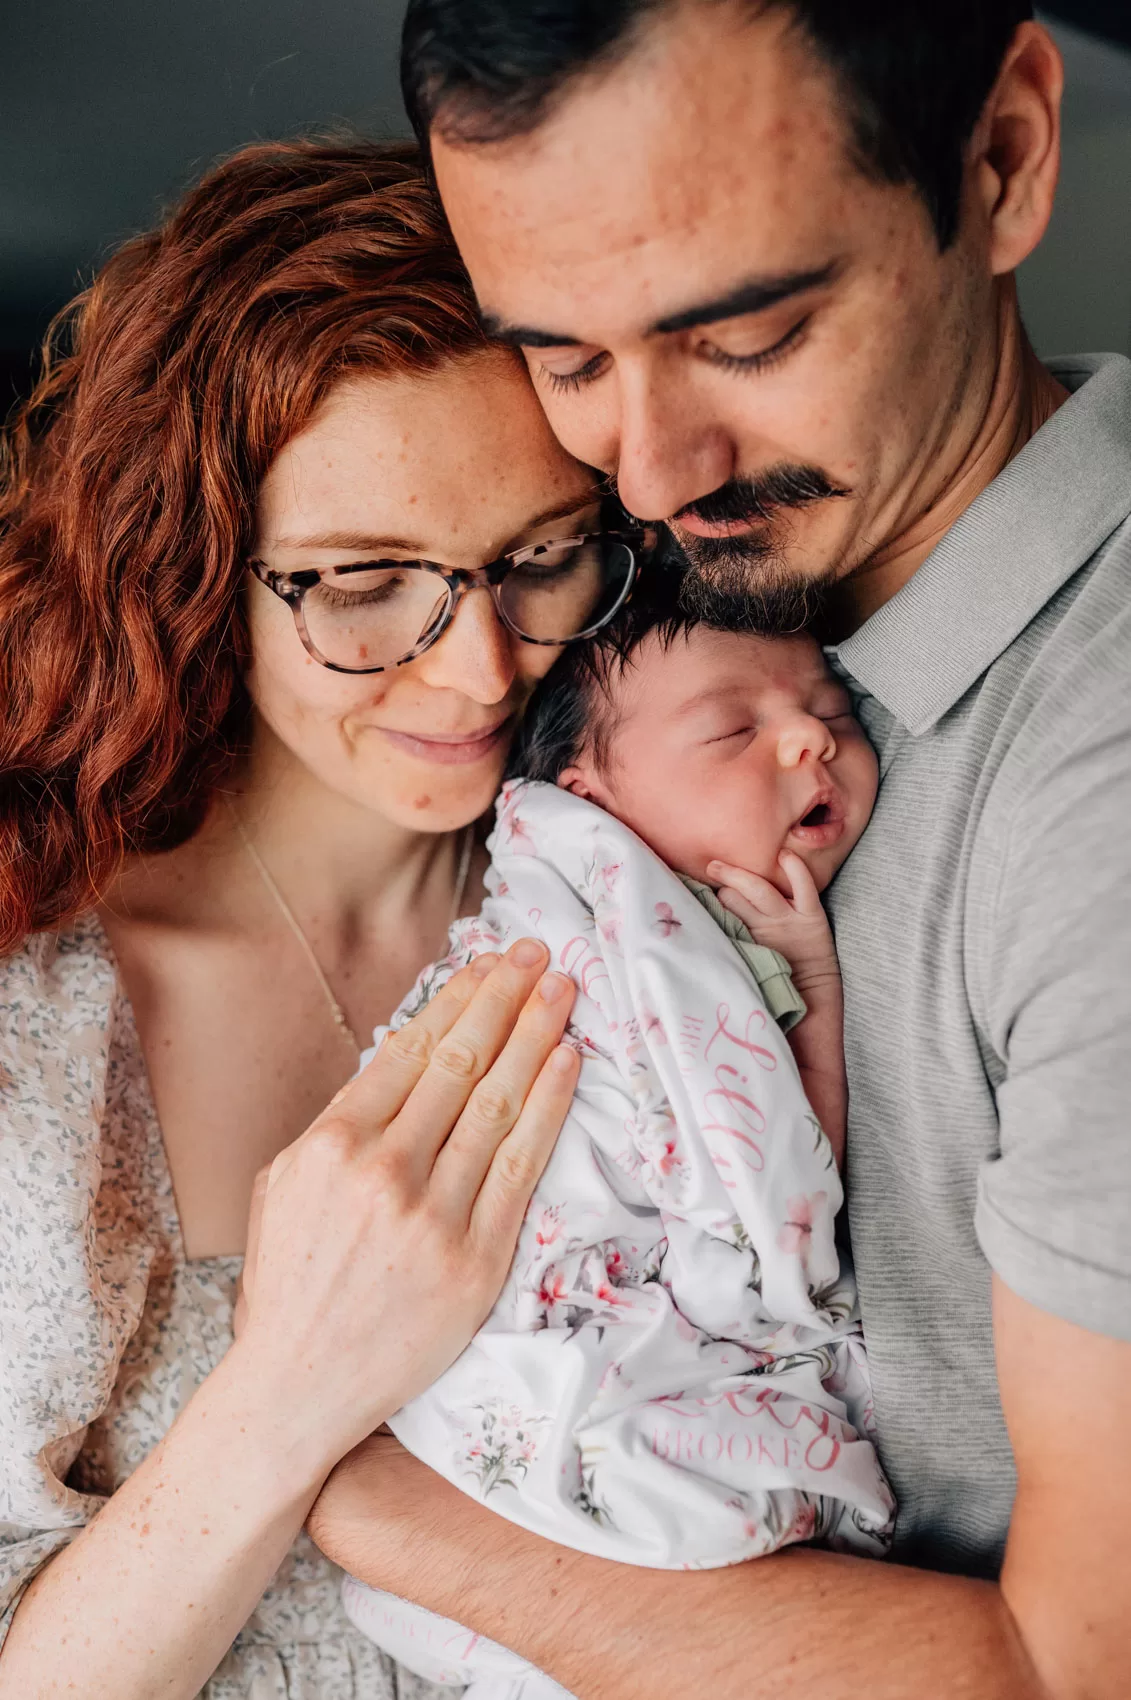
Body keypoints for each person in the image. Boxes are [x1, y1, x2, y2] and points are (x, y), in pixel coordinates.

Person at [307, 5, 1131, 1698]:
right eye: (565, 358)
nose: (651, 468)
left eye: (746, 332)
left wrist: (369, 1503)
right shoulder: (621, 591)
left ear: (1004, 156)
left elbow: (1075, 1668)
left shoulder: (1096, 790)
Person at [0, 134, 690, 1699]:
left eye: (535, 560)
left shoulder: (638, 902)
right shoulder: (38, 1022)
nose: (477, 670)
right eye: (364, 581)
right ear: (190, 569)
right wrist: (297, 1386)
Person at [340, 607, 892, 1696]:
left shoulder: (694, 926)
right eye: (734, 730)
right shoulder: (628, 931)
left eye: (831, 706)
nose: (811, 738)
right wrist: (813, 987)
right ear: (590, 801)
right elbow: (773, 1197)